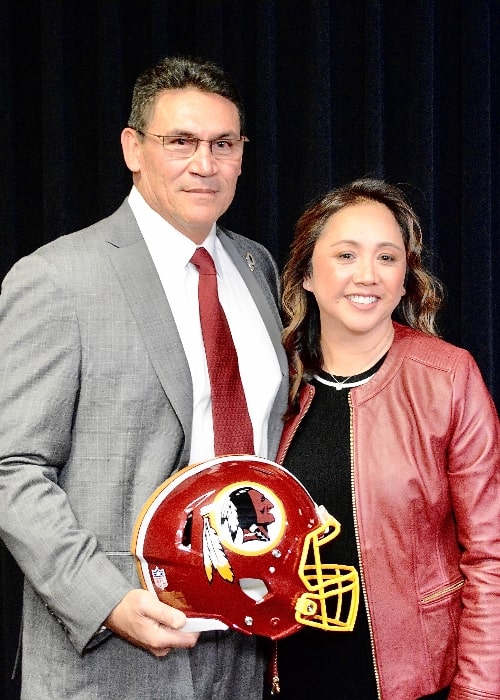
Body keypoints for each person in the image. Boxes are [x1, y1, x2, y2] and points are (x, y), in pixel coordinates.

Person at [0, 56, 288, 699]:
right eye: (180, 142)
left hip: (243, 640)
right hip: (113, 651)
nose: (204, 164)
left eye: (223, 144)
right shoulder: (56, 278)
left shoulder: (255, 267)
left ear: (243, 154)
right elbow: (11, 467)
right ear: (134, 148)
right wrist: (106, 601)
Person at [271, 178, 499, 699]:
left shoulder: (447, 378)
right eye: (346, 254)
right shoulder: (270, 381)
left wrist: (479, 693)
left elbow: (491, 554)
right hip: (287, 677)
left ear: (404, 280)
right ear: (307, 272)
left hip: (415, 683)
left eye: (387, 258)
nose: (367, 276)